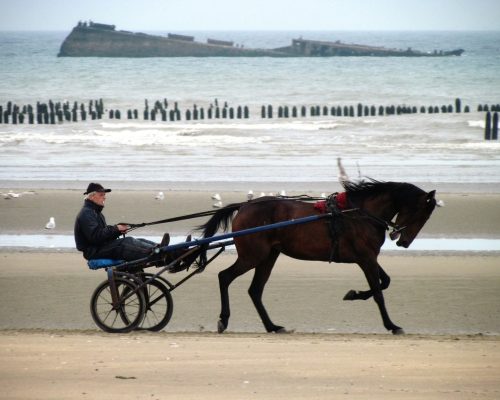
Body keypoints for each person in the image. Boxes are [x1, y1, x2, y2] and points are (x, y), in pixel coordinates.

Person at [74, 182, 170, 261]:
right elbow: (96, 237)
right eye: (101, 195)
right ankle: (155, 253)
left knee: (138, 240)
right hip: (94, 251)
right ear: (92, 197)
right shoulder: (86, 213)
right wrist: (116, 229)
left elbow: (103, 235)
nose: (104, 197)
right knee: (127, 242)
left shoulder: (95, 212)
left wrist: (117, 230)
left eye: (104, 195)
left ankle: (161, 248)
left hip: (99, 247)